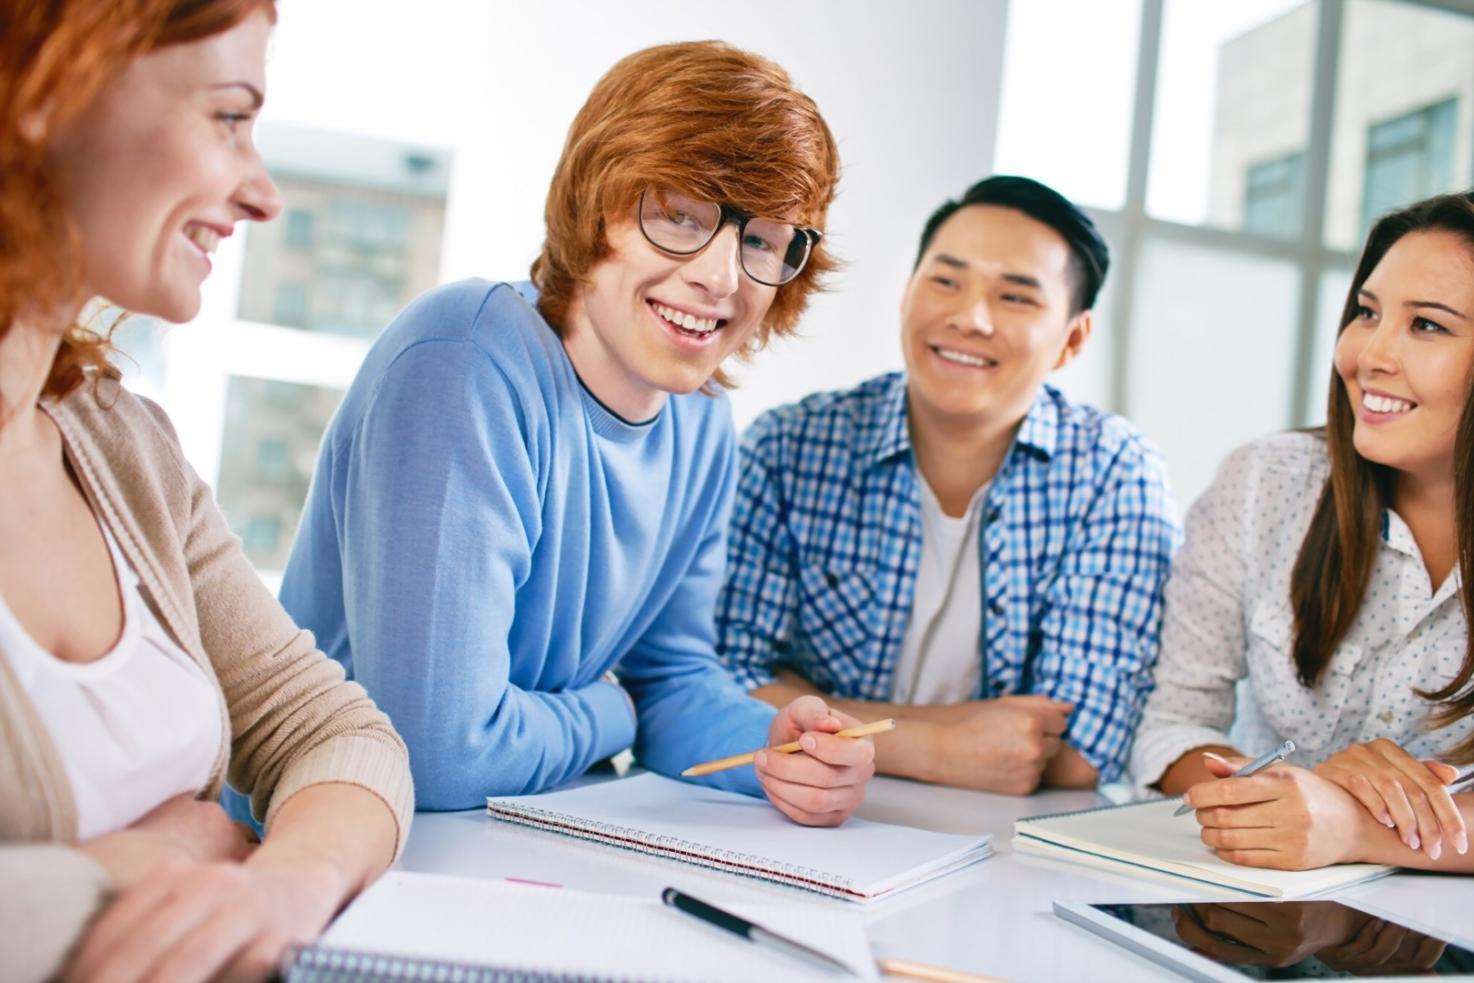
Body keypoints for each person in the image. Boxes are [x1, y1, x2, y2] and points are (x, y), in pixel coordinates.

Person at [277, 41, 875, 824]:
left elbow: (669, 681)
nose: (722, 277)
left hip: (515, 844)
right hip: (328, 848)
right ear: (598, 205)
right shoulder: (464, 359)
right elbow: (434, 753)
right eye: (680, 215)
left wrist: (774, 746)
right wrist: (606, 716)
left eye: (761, 239)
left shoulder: (702, 426)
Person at [0, 3, 414, 980]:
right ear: (49, 89)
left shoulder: (124, 445)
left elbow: (337, 733)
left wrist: (280, 886)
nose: (263, 193)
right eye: (230, 117)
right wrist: (137, 866)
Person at [716, 176, 1179, 794]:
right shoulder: (788, 446)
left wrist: (815, 709)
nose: (969, 317)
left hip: (1003, 847)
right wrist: (938, 745)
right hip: (799, 810)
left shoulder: (1114, 472)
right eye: (946, 281)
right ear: (907, 294)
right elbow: (726, 676)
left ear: (1072, 339)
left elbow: (1082, 747)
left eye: (1016, 298)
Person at [1131, 191, 1474, 873]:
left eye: (1428, 326)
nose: (1368, 354)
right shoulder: (1263, 481)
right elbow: (1171, 729)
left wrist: (1350, 824)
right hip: (1266, 924)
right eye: (1367, 313)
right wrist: (1271, 798)